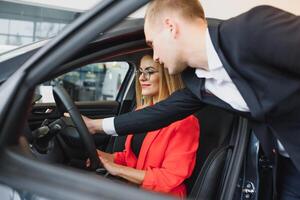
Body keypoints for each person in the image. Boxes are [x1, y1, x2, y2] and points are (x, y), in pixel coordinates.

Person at [87, 1, 300, 199]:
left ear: (170, 27)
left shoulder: (252, 29)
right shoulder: (197, 80)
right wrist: (95, 126)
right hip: (288, 166)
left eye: (153, 43)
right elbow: (159, 114)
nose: (157, 56)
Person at [85, 55, 200, 198]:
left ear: (167, 76)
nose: (142, 78)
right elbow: (130, 158)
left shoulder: (185, 121)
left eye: (150, 72)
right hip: (134, 190)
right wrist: (102, 156)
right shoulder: (140, 113)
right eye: (140, 72)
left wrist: (117, 170)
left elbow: (170, 178)